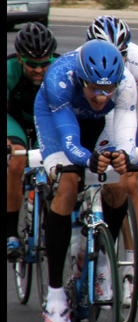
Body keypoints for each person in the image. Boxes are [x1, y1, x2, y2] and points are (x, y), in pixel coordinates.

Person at [34, 40, 138, 322]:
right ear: (81, 79)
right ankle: (55, 296)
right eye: (95, 88)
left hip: (99, 123)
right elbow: (70, 141)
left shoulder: (125, 83)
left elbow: (126, 128)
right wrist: (87, 159)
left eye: (109, 89)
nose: (103, 95)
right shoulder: (60, 78)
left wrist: (123, 156)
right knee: (68, 185)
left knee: (120, 185)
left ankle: (103, 261)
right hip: (58, 119)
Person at [86, 14, 138, 308]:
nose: (118, 56)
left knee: (127, 183)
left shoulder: (137, 57)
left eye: (122, 52)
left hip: (122, 112)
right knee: (88, 180)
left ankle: (128, 270)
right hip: (92, 117)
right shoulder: (81, 60)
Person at [7, 22, 58, 261]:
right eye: (32, 64)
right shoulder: (8, 70)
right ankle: (11, 234)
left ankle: (49, 218)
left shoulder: (59, 68)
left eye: (44, 63)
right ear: (20, 59)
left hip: (43, 118)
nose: (39, 70)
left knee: (53, 164)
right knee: (17, 161)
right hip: (13, 118)